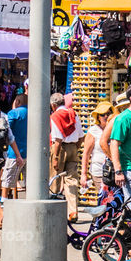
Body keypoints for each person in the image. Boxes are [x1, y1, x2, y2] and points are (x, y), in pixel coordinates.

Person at [49, 92, 82, 221]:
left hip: (60, 149)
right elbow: (81, 136)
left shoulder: (55, 116)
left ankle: (54, 209)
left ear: (53, 105)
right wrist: (75, 148)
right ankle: (73, 212)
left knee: (55, 179)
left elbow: (58, 140)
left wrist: (55, 157)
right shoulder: (73, 114)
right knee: (72, 180)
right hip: (73, 147)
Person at [0, 94, 28, 200]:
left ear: (17, 102)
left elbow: (7, 130)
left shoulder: (14, 113)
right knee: (29, 179)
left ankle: (4, 198)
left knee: (8, 178)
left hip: (15, 153)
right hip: (30, 152)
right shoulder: (35, 113)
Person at [81, 101, 112, 192]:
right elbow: (86, 154)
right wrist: (83, 174)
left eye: (108, 113)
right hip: (99, 172)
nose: (106, 116)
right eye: (103, 114)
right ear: (98, 116)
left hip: (114, 171)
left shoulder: (115, 128)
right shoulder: (93, 131)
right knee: (105, 197)